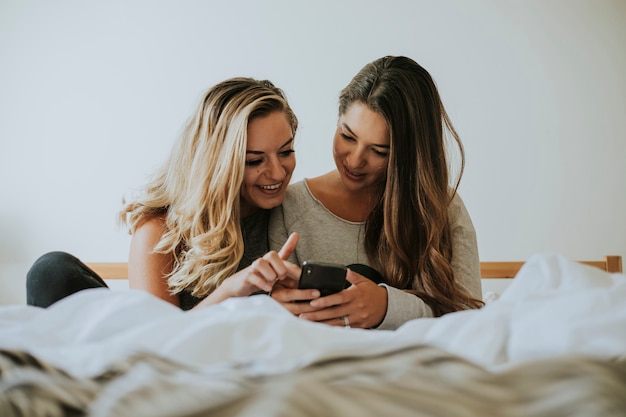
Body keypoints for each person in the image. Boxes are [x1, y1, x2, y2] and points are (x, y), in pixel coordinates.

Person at [27, 77, 301, 310]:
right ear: (216, 163)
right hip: (171, 363)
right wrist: (230, 292)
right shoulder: (161, 230)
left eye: (286, 152)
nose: (278, 174)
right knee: (52, 272)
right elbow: (159, 340)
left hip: (257, 360)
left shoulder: (295, 211)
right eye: (254, 160)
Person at [268, 56, 484, 330]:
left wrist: (387, 306)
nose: (355, 161)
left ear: (410, 156)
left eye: (380, 151)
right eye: (347, 136)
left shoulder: (444, 209)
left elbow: (471, 319)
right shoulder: (291, 208)